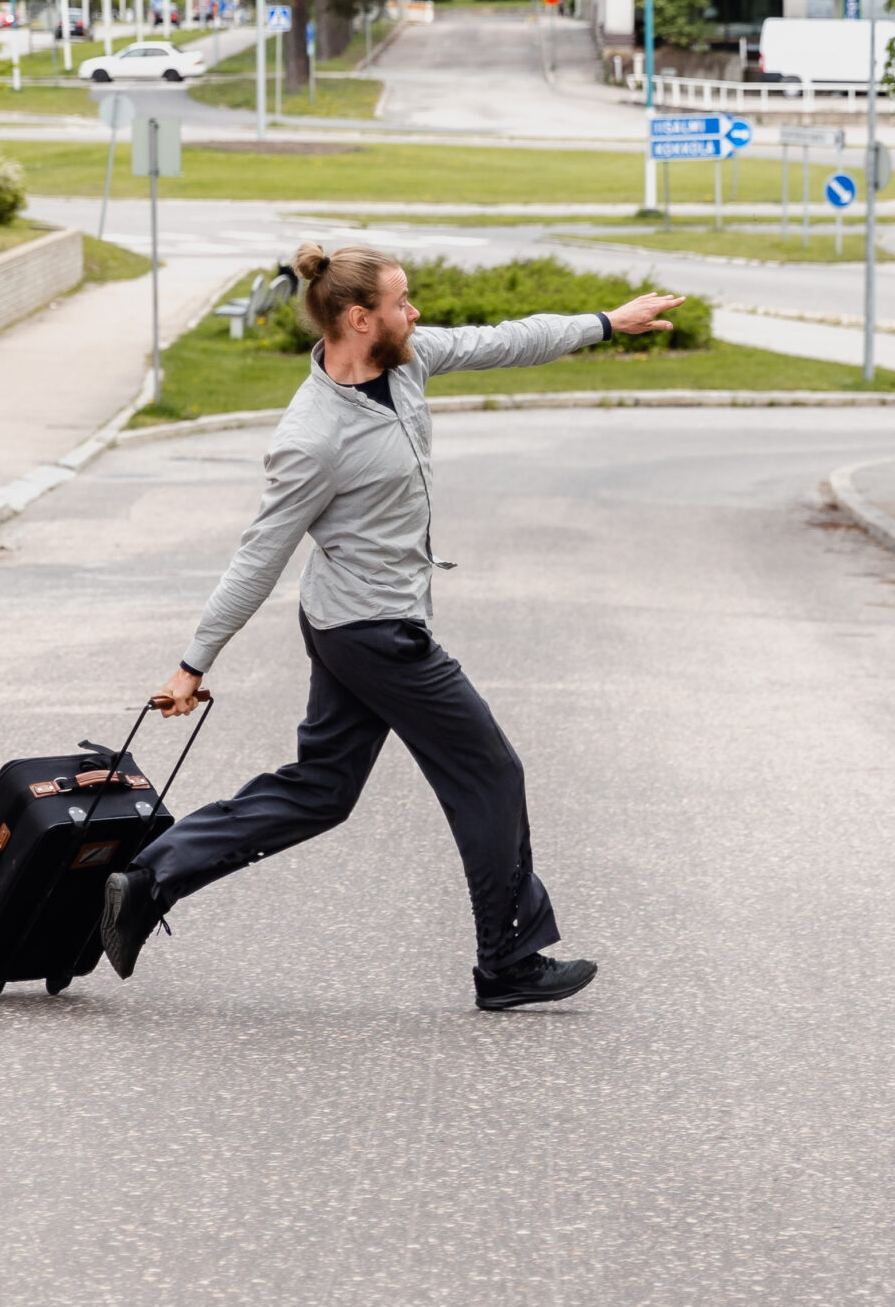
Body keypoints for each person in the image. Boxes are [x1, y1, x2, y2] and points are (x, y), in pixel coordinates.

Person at [100, 244, 686, 1010]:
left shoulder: (405, 362)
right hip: (375, 633)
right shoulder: (312, 436)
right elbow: (259, 556)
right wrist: (193, 662)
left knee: (322, 790)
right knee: (491, 775)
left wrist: (606, 321)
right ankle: (507, 960)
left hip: (355, 624)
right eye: (402, 301)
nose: (416, 313)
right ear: (358, 318)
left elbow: (504, 339)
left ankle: (149, 877)